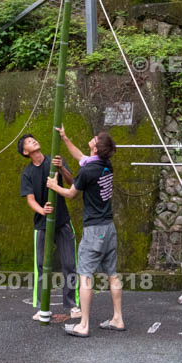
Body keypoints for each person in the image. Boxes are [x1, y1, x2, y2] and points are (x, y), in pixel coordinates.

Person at [47, 128, 124, 337]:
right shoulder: (106, 164)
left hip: (94, 230)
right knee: (112, 273)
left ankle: (84, 324)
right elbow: (81, 157)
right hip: (109, 227)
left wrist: (54, 186)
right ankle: (118, 318)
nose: (94, 137)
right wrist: (65, 137)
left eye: (96, 139)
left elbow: (71, 194)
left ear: (96, 147)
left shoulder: (88, 172)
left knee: (85, 275)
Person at [18, 134, 80, 321]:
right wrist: (42, 211)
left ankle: (73, 305)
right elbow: (30, 200)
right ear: (25, 152)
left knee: (69, 264)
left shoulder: (54, 161)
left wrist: (61, 168)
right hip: (42, 224)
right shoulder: (27, 173)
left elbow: (71, 182)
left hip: (62, 220)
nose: (34, 141)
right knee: (41, 267)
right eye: (29, 142)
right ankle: (41, 306)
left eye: (34, 139)